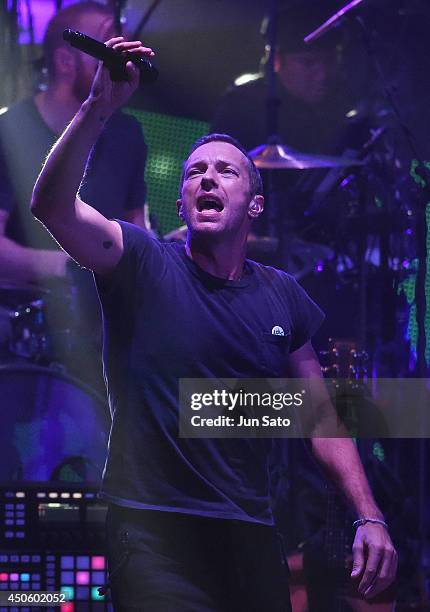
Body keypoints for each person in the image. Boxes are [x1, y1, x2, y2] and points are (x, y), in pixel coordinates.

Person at [30, 36, 397, 610]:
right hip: (155, 531)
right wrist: (97, 106)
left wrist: (369, 516)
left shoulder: (283, 297)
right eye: (196, 172)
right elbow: (51, 208)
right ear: (180, 203)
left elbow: (321, 418)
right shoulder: (143, 261)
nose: (207, 178)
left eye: (226, 172)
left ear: (254, 203)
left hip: (249, 531)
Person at [0, 1, 149, 383]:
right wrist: (73, 268)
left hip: (108, 325)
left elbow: (137, 226)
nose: (121, 56)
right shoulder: (8, 132)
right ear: (67, 62)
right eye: (107, 45)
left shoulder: (128, 133)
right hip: (30, 325)